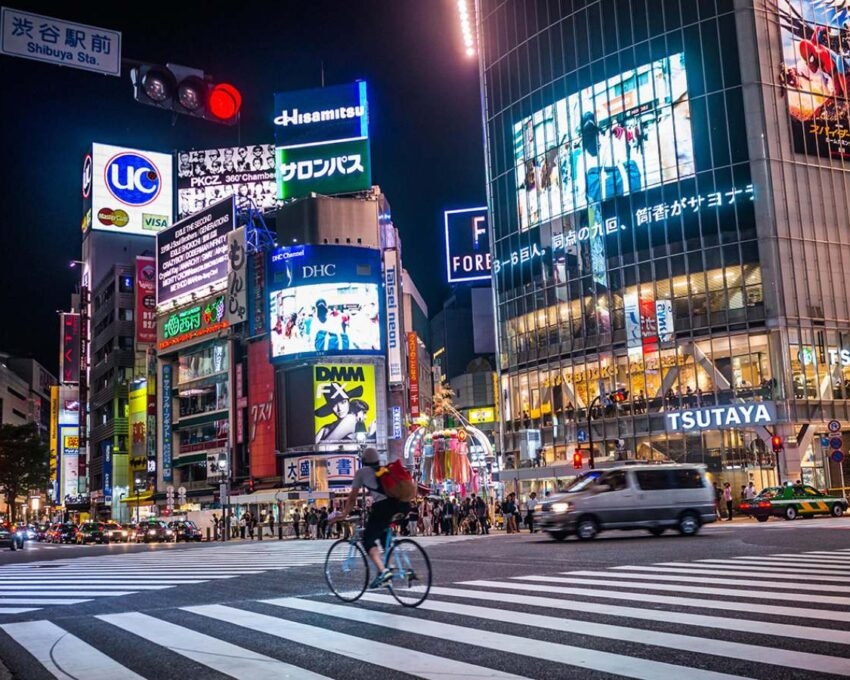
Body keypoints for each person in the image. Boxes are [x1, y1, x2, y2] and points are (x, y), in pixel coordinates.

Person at [332, 446, 410, 589]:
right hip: (401, 505)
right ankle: (389, 565)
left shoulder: (361, 472)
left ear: (364, 460)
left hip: (383, 508)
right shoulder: (384, 470)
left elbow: (352, 498)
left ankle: (384, 572)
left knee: (368, 539)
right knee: (383, 534)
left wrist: (343, 514)